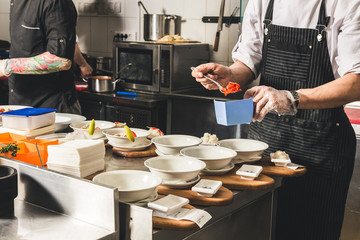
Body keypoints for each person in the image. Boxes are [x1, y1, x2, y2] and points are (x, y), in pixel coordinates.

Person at [192, 0, 360, 239]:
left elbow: (356, 81)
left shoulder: (348, 4)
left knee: (311, 230)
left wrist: (291, 98)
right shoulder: (262, 2)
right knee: (259, 227)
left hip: (321, 145)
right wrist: (229, 74)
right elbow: (248, 63)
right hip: (265, 143)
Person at [0, 0, 81, 114]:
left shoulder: (56, 2)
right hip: (19, 103)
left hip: (51, 104)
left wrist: (6, 66)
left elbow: (60, 60)